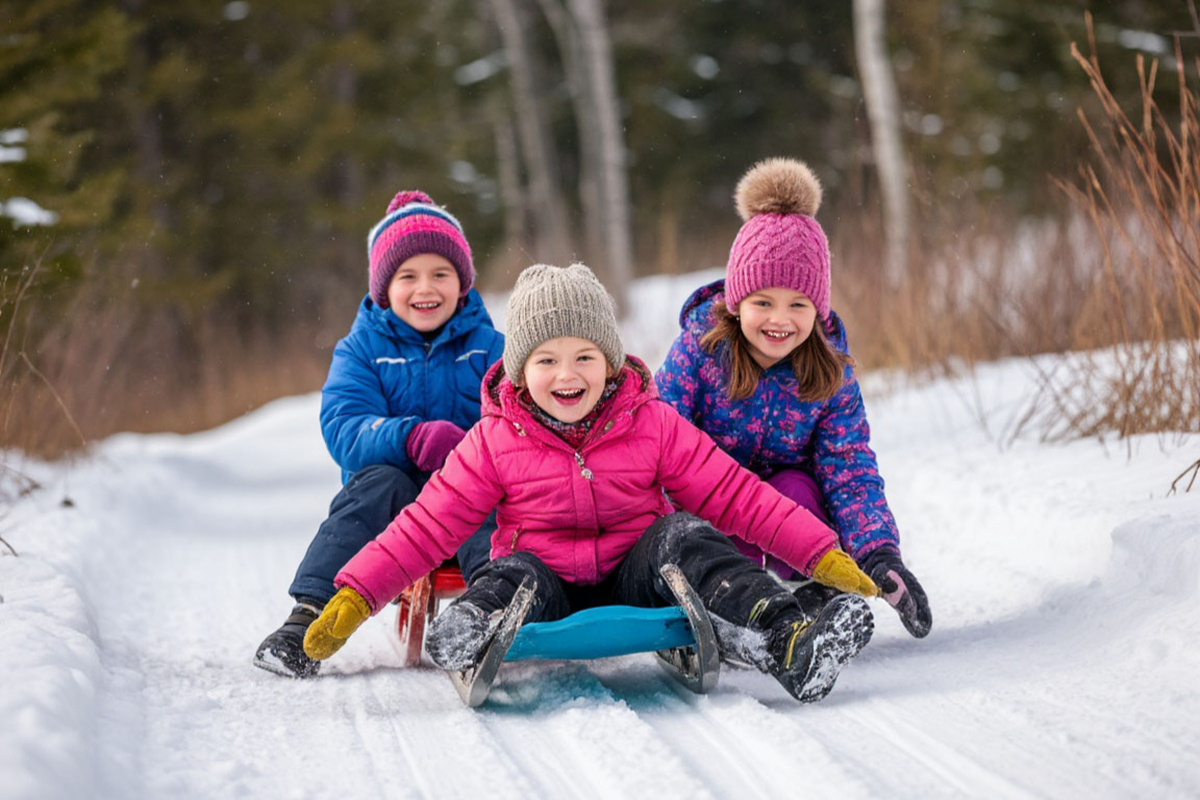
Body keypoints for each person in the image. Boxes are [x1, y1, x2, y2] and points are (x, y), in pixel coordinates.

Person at [302, 263, 880, 703]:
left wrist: (821, 553)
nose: (567, 374)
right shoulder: (492, 440)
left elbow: (734, 492)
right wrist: (354, 597)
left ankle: (786, 637)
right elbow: (427, 528)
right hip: (544, 583)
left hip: (637, 573)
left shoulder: (650, 421)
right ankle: (472, 627)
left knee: (686, 533)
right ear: (521, 371)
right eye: (547, 360)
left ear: (610, 361)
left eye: (584, 357)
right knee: (509, 570)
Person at [654, 157, 932, 639]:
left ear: (818, 309)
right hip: (710, 507)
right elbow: (654, 440)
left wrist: (878, 553)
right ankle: (726, 596)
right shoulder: (700, 350)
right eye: (763, 301)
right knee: (708, 518)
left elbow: (848, 467)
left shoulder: (830, 372)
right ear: (737, 301)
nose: (779, 319)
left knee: (799, 490)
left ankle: (812, 592)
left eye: (797, 304)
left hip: (790, 519)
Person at [253, 190, 505, 678]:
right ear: (382, 288)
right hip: (396, 509)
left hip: (468, 496)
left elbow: (517, 417)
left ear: (462, 282)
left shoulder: (490, 347)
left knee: (490, 495)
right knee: (374, 485)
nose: (424, 288)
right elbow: (344, 425)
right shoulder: (362, 349)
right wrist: (410, 437)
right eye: (407, 276)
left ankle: (488, 610)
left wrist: (477, 447)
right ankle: (305, 620)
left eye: (440, 274)